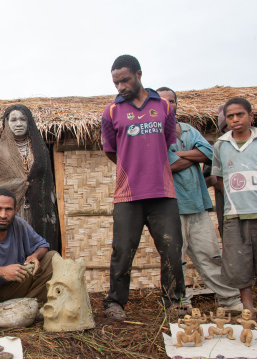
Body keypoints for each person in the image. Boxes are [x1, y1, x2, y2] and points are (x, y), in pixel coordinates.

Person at [101, 55, 184, 320]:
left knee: (171, 248)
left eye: (125, 80)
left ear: (138, 74)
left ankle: (174, 302)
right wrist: (132, 169)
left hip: (163, 193)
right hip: (127, 195)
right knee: (122, 250)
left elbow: (168, 141)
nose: (121, 87)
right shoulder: (111, 111)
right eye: (116, 83)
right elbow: (112, 151)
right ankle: (115, 302)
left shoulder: (164, 107)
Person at [158, 87, 242, 312]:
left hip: (197, 205)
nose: (168, 105)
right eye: (163, 101)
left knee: (211, 256)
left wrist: (179, 155)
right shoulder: (154, 135)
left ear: (177, 104)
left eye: (172, 101)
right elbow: (166, 165)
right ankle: (178, 304)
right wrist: (191, 156)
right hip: (170, 208)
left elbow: (208, 153)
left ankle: (230, 300)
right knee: (175, 261)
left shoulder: (188, 130)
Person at [0, 104, 61, 252]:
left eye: (23, 119)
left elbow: (47, 179)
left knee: (39, 244)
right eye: (13, 120)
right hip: (13, 207)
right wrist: (19, 184)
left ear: (29, 122)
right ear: (7, 123)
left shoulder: (40, 148)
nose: (19, 123)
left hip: (40, 206)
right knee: (14, 245)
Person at [211, 97, 257, 313]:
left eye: (240, 114)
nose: (235, 119)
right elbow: (217, 179)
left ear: (250, 116)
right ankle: (247, 308)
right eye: (230, 116)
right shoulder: (221, 145)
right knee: (239, 264)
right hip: (235, 215)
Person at [203, 105, 230, 237]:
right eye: (226, 127)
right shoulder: (218, 148)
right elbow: (207, 180)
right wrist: (216, 178)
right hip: (227, 206)